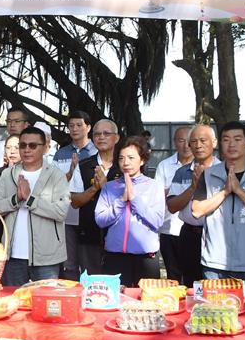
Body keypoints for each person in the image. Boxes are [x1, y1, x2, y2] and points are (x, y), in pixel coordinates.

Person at [191, 121, 245, 288]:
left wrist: (239, 191)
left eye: (238, 139)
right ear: (220, 143)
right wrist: (225, 191)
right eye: (226, 139)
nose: (231, 144)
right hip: (214, 261)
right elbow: (196, 210)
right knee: (214, 304)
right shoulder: (209, 175)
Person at [0, 126, 70, 286]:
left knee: (45, 299)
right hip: (12, 256)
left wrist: (30, 199)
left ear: (45, 148)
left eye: (33, 145)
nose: (27, 149)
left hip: (46, 258)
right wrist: (16, 199)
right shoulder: (8, 174)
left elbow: (61, 212)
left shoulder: (56, 176)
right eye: (23, 145)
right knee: (14, 299)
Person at [95, 136, 164, 286]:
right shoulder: (110, 187)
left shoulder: (154, 186)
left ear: (142, 160)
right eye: (121, 158)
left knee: (146, 299)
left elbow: (157, 221)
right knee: (115, 297)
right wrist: (121, 201)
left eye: (131, 158)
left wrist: (134, 199)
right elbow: (100, 220)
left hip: (146, 257)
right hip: (115, 256)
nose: (126, 162)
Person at [166, 125, 221, 287]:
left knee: (215, 284)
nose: (198, 145)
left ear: (214, 142)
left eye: (203, 141)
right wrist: (192, 187)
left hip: (217, 234)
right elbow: (172, 206)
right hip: (189, 234)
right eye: (194, 141)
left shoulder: (224, 171)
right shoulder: (182, 172)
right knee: (191, 284)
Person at [69, 119, 122, 277]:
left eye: (106, 133)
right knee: (91, 283)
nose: (101, 137)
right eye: (97, 134)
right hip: (89, 235)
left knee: (118, 283)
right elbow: (74, 201)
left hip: (119, 236)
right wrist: (94, 188)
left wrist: (106, 187)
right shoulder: (84, 166)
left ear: (116, 138)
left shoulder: (124, 165)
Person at [52, 111, 98, 280]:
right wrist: (71, 172)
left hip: (91, 215)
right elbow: (53, 183)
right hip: (67, 214)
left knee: (91, 263)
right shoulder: (61, 153)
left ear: (88, 127)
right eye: (71, 126)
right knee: (69, 263)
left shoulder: (97, 152)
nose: (75, 129)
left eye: (79, 125)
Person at [154, 126, 192, 282]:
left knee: (193, 277)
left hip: (193, 229)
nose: (186, 145)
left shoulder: (203, 166)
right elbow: (157, 195)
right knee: (173, 276)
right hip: (169, 229)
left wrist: (174, 191)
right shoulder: (164, 165)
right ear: (174, 142)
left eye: (190, 141)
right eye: (181, 140)